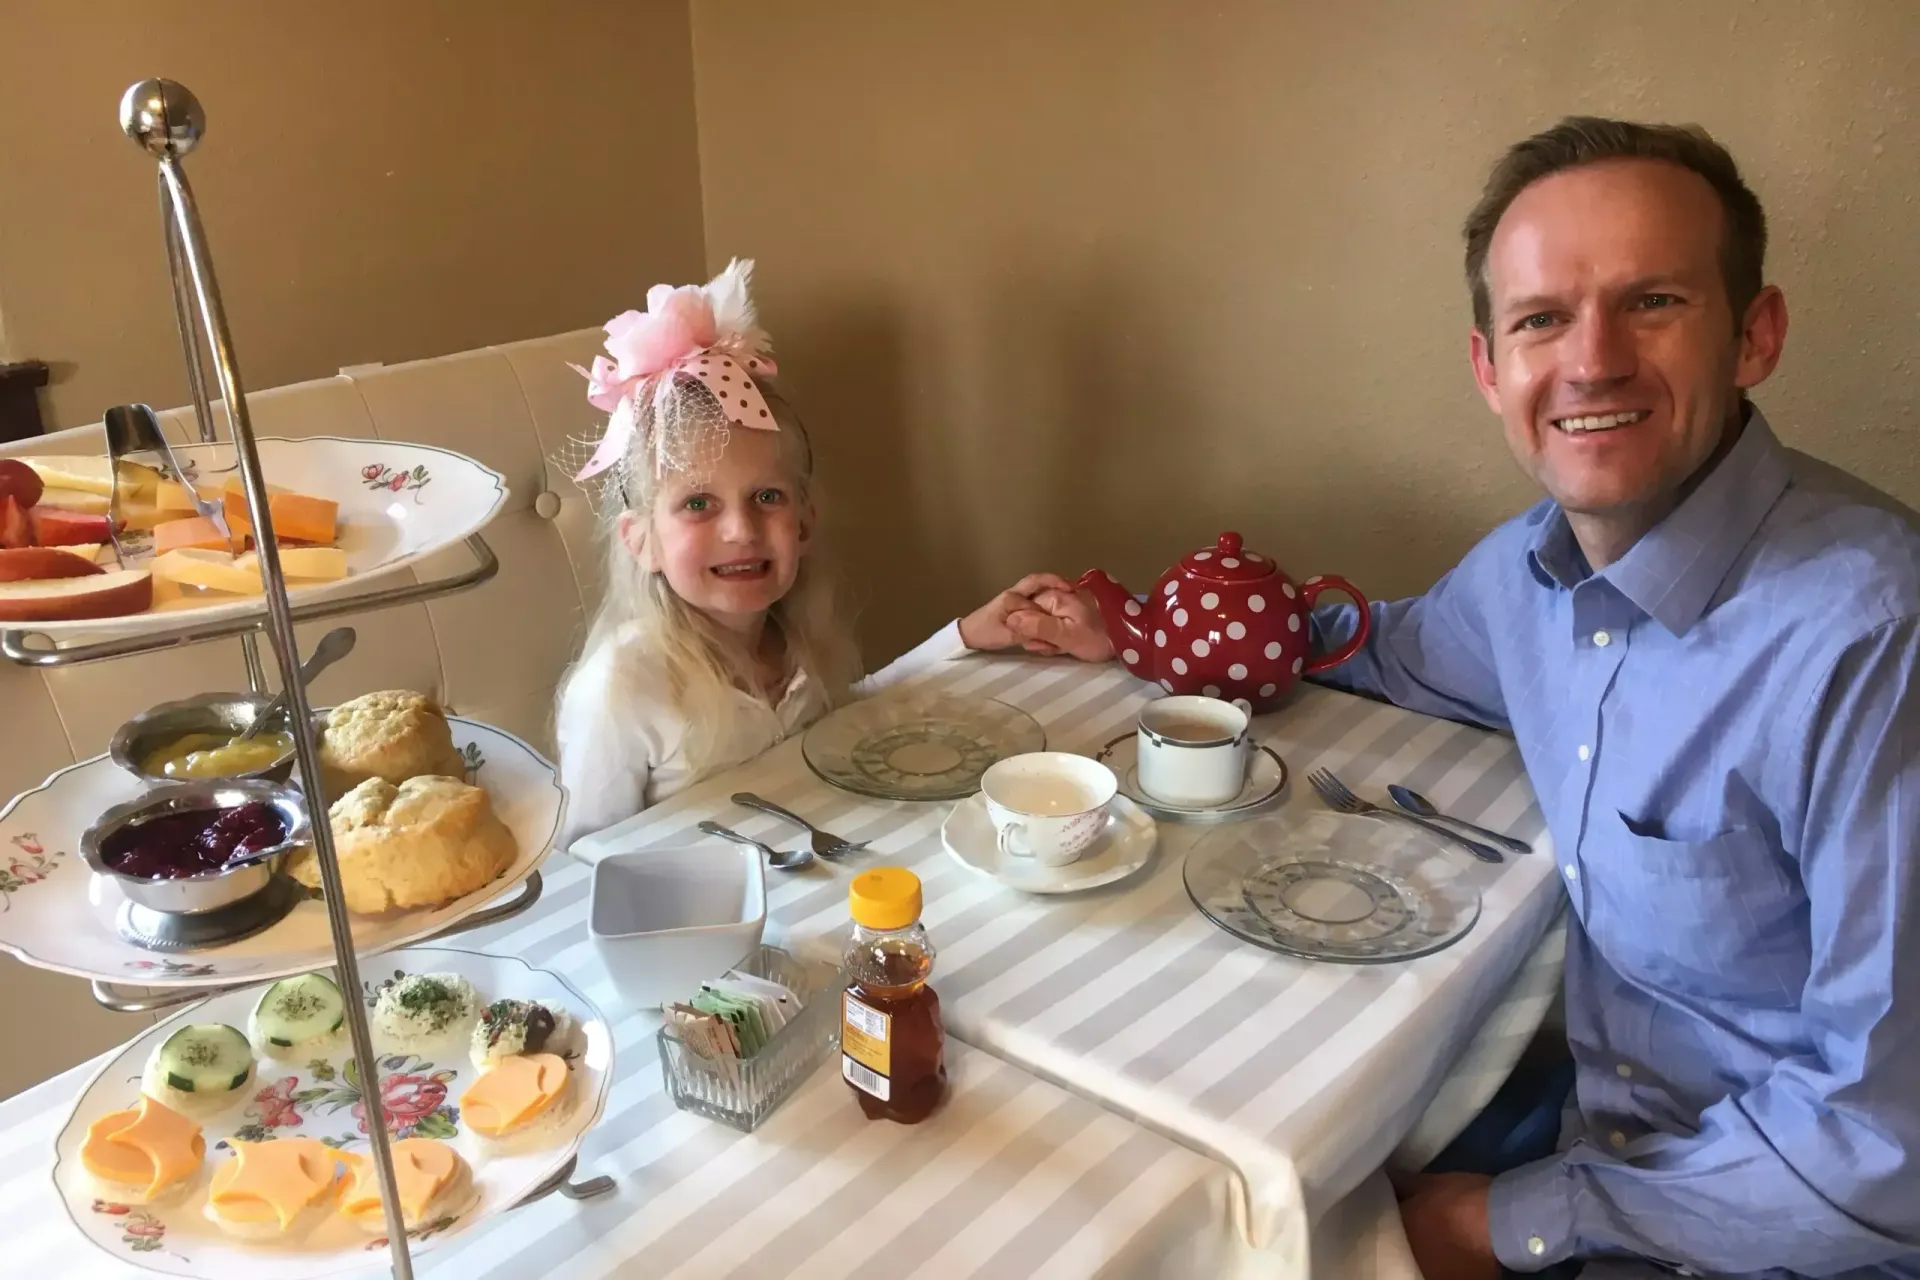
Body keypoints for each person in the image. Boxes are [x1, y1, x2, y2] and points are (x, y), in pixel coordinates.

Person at [1002, 117, 1920, 1279]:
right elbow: (1373, 645)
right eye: (1542, 319)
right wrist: (1136, 628)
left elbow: (1888, 1150)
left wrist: (1511, 1222)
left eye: (1652, 303)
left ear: (1756, 333)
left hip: (1797, 1234)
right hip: (1613, 1136)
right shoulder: (1531, 574)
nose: (1591, 361)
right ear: (1491, 367)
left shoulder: (1873, 639)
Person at [553, 260, 1066, 847]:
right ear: (641, 540)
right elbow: (583, 863)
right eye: (698, 503)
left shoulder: (796, 634)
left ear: (804, 521)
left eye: (766, 497)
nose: (741, 529)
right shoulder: (621, 690)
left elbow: (855, 719)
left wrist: (965, 636)